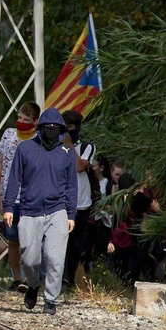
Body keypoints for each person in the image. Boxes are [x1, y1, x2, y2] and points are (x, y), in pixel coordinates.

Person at [2, 108, 79, 313]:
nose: (51, 129)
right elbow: (14, 179)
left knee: (55, 258)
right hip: (29, 210)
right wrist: (8, 207)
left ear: (61, 129)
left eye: (55, 127)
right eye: (47, 126)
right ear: (40, 127)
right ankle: (34, 284)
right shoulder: (25, 148)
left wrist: (71, 214)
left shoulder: (67, 153)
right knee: (29, 259)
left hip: (58, 211)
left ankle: (51, 300)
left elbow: (72, 185)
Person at [0, 101, 40, 290]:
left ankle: (31, 278)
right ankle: (17, 279)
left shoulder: (39, 139)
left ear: (35, 122)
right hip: (8, 196)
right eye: (19, 117)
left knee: (29, 241)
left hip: (30, 197)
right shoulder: (8, 134)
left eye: (26, 119)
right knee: (12, 239)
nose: (21, 121)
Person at [62, 109, 98, 287]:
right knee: (59, 241)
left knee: (76, 243)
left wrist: (69, 145)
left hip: (80, 203)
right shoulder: (56, 146)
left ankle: (69, 278)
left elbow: (79, 166)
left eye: (70, 127)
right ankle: (57, 276)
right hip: (60, 200)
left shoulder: (86, 147)